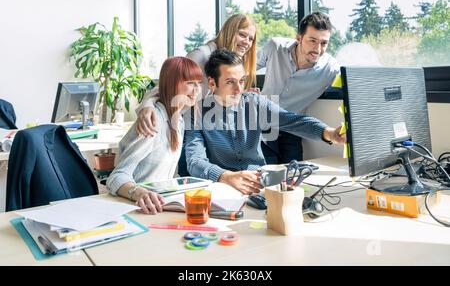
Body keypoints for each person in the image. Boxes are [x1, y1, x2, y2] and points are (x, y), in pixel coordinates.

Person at [185, 48, 345, 195]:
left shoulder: (254, 102)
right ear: (212, 83)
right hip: (223, 187)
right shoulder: (196, 113)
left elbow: (293, 120)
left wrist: (328, 133)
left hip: (260, 183)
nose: (239, 89)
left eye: (241, 81)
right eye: (230, 82)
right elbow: (195, 161)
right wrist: (225, 176)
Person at [135, 14, 258, 176]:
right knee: (187, 177)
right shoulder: (201, 55)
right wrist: (147, 106)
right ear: (228, 31)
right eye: (242, 34)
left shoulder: (231, 62)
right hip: (181, 126)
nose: (247, 42)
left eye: (251, 39)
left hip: (206, 128)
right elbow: (164, 86)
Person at [106, 57, 203, 214]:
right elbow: (117, 177)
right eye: (190, 83)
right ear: (173, 83)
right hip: (137, 207)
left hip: (160, 206)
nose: (197, 89)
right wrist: (139, 193)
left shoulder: (178, 121)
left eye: (198, 83)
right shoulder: (153, 121)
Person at [258, 12, 340, 164]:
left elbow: (352, 84)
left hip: (293, 129)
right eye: (312, 41)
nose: (318, 49)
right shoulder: (275, 47)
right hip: (262, 125)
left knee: (294, 178)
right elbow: (247, 67)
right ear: (299, 38)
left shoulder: (330, 68)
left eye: (324, 43)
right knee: (264, 175)